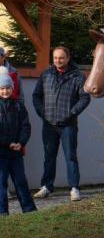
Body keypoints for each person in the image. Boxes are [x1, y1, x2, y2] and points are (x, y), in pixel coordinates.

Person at [32, 46, 91, 200]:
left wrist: (71, 113)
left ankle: (74, 188)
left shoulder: (78, 76)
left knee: (70, 156)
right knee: (49, 156)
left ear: (68, 58)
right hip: (49, 124)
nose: (58, 60)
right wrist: (43, 113)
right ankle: (46, 186)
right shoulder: (46, 74)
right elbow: (36, 96)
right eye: (55, 58)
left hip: (68, 125)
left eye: (61, 58)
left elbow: (85, 98)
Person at [0, 67, 36, 216]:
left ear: (12, 88)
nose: (5, 91)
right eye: (2, 88)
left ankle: (29, 210)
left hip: (16, 152)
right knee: (1, 184)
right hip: (1, 152)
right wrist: (7, 143)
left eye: (7, 88)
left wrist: (21, 143)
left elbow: (25, 126)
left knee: (21, 181)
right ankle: (2, 212)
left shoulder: (19, 106)